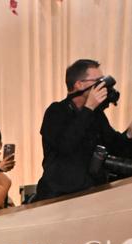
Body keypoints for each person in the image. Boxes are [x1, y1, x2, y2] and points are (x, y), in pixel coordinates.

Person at [35, 58, 132, 202]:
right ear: (79, 85)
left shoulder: (96, 115)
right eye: (98, 81)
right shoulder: (56, 111)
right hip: (59, 198)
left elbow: (115, 145)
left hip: (90, 195)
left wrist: (130, 133)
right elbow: (65, 146)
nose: (103, 86)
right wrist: (89, 108)